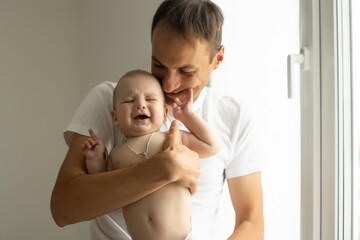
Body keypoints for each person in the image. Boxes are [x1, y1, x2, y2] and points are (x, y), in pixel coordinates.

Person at [51, 0, 264, 239]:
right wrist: (163, 169)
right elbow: (62, 209)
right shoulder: (112, 101)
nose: (168, 84)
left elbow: (251, 221)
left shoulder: (233, 116)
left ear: (218, 59)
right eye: (159, 65)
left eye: (186, 71)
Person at [81, 69, 221, 240]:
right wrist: (95, 159)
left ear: (165, 114)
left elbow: (212, 146)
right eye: (129, 100)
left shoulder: (172, 137)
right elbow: (103, 194)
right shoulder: (116, 156)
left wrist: (188, 117)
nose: (140, 105)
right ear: (115, 117)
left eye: (150, 99)